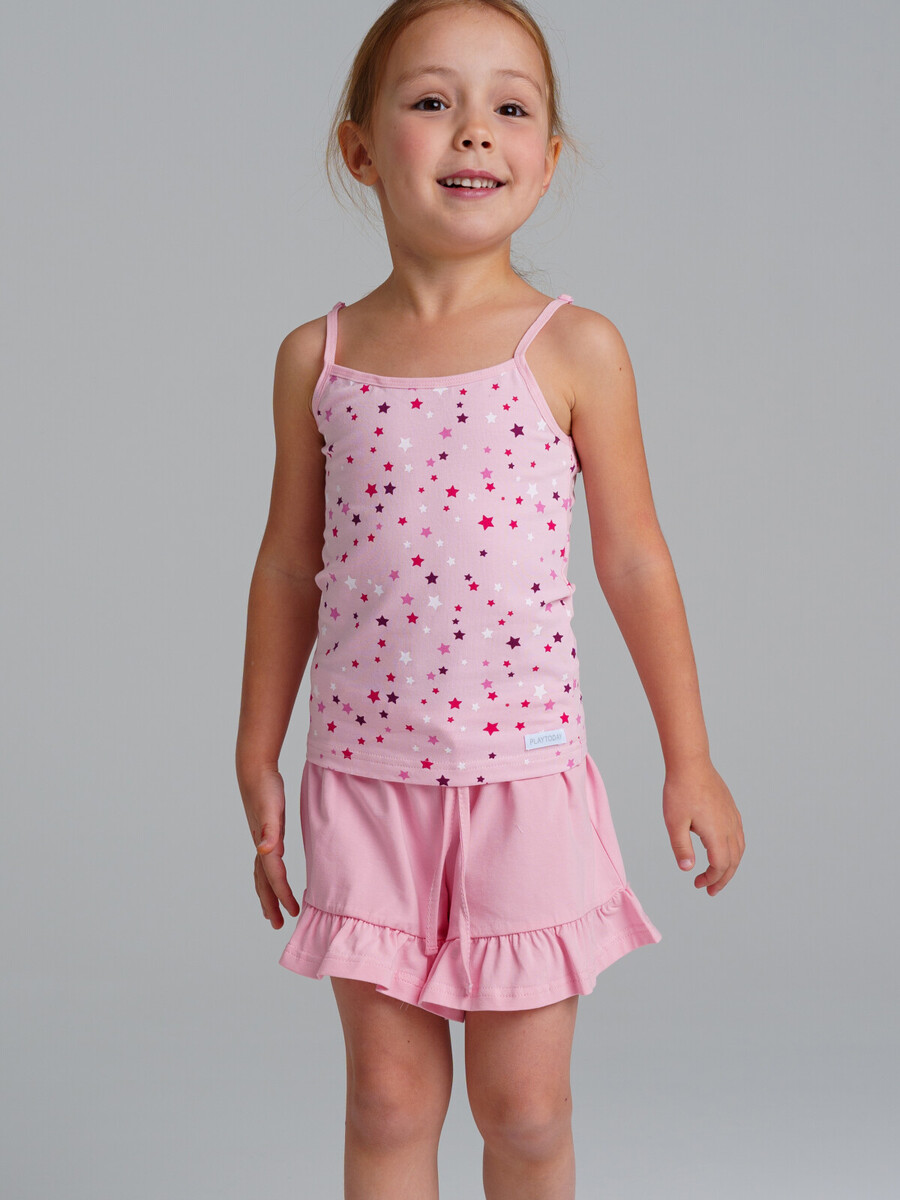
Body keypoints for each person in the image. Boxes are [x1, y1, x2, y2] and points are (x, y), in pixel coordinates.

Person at [235, 1, 745, 1195]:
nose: (474, 131)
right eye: (432, 101)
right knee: (386, 1101)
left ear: (547, 158)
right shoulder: (319, 358)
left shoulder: (575, 350)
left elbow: (634, 560)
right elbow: (289, 566)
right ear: (362, 147)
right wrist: (256, 748)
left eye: (509, 108)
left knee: (523, 1110)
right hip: (366, 783)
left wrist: (692, 759)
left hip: (524, 784)